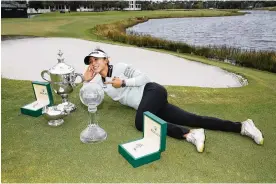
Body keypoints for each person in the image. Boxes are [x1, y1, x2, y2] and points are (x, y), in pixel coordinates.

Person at [82, 48, 264, 153]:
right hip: (151, 107)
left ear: (107, 60)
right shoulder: (101, 83)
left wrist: (123, 82)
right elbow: (88, 98)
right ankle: (242, 126)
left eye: (97, 58)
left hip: (153, 91)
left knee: (140, 122)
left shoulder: (120, 67)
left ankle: (188, 134)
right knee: (193, 118)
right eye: (91, 61)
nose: (93, 63)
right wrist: (86, 79)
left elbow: (144, 78)